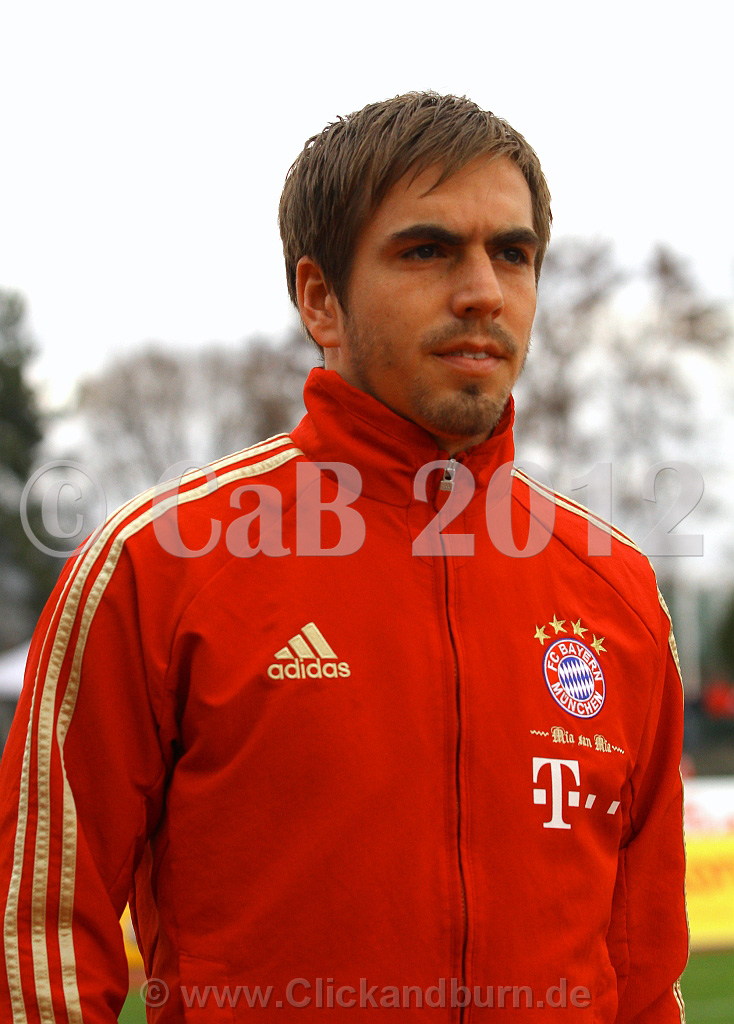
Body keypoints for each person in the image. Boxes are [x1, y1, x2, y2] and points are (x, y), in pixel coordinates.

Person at [0, 92, 687, 1022]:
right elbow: (37, 938)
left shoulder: (616, 590)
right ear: (320, 298)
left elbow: (643, 970)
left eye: (513, 253)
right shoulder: (157, 565)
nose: (484, 291)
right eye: (428, 250)